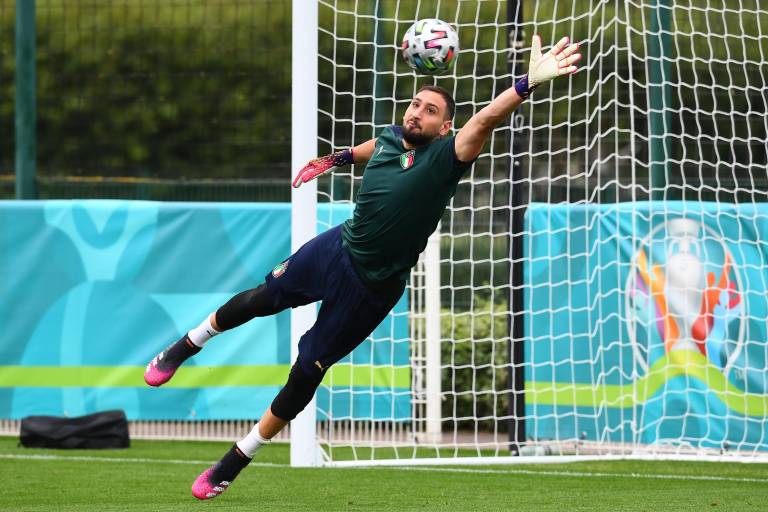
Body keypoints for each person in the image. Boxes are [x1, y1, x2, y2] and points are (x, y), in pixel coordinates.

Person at [144, 34, 580, 500]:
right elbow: (374, 146)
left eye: (431, 110)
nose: (417, 112)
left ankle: (236, 458)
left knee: (307, 371)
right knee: (259, 299)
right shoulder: (392, 137)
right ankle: (186, 345)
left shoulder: (449, 155)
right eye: (415, 104)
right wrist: (338, 158)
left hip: (371, 288)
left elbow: (486, 118)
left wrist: (527, 84)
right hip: (336, 248)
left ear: (446, 127)